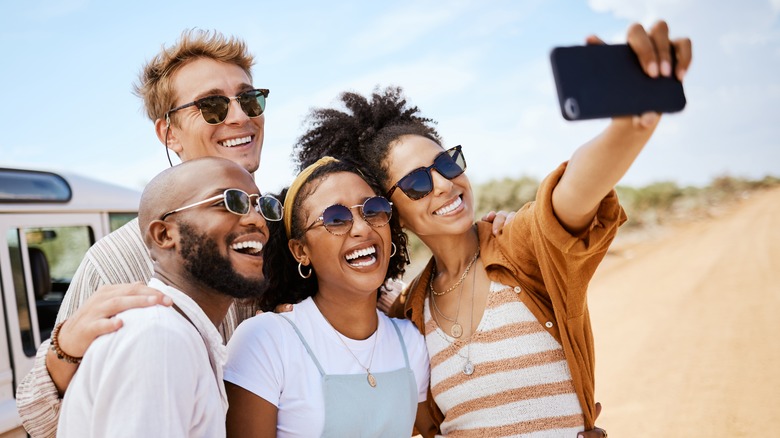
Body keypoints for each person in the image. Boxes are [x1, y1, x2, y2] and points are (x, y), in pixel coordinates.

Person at [291, 21, 691, 437]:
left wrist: (629, 126)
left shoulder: (521, 247)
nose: (445, 184)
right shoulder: (410, 315)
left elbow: (574, 191)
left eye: (446, 164)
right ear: (393, 213)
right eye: (418, 183)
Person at [16, 29, 268, 437]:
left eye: (249, 99)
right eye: (212, 106)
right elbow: (46, 419)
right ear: (168, 133)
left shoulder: (278, 228)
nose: (240, 116)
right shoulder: (113, 262)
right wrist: (62, 354)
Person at [57, 157, 281, 437]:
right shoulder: (158, 337)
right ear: (164, 234)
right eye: (229, 202)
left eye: (262, 206)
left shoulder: (180, 331)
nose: (257, 220)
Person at [223, 157, 432, 437]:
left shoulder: (411, 342)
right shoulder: (265, 341)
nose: (362, 228)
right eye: (336, 218)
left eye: (373, 210)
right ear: (301, 251)